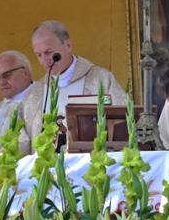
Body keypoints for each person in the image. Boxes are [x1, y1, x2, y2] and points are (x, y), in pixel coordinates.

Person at [21, 20, 126, 153]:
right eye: (39, 55)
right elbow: (22, 139)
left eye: (48, 52)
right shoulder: (35, 93)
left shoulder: (101, 80)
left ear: (68, 45)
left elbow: (122, 123)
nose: (44, 60)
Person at [0, 50, 33, 155]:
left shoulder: (41, 101)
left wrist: (1, 155)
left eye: (7, 75)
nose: (2, 82)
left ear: (25, 73)